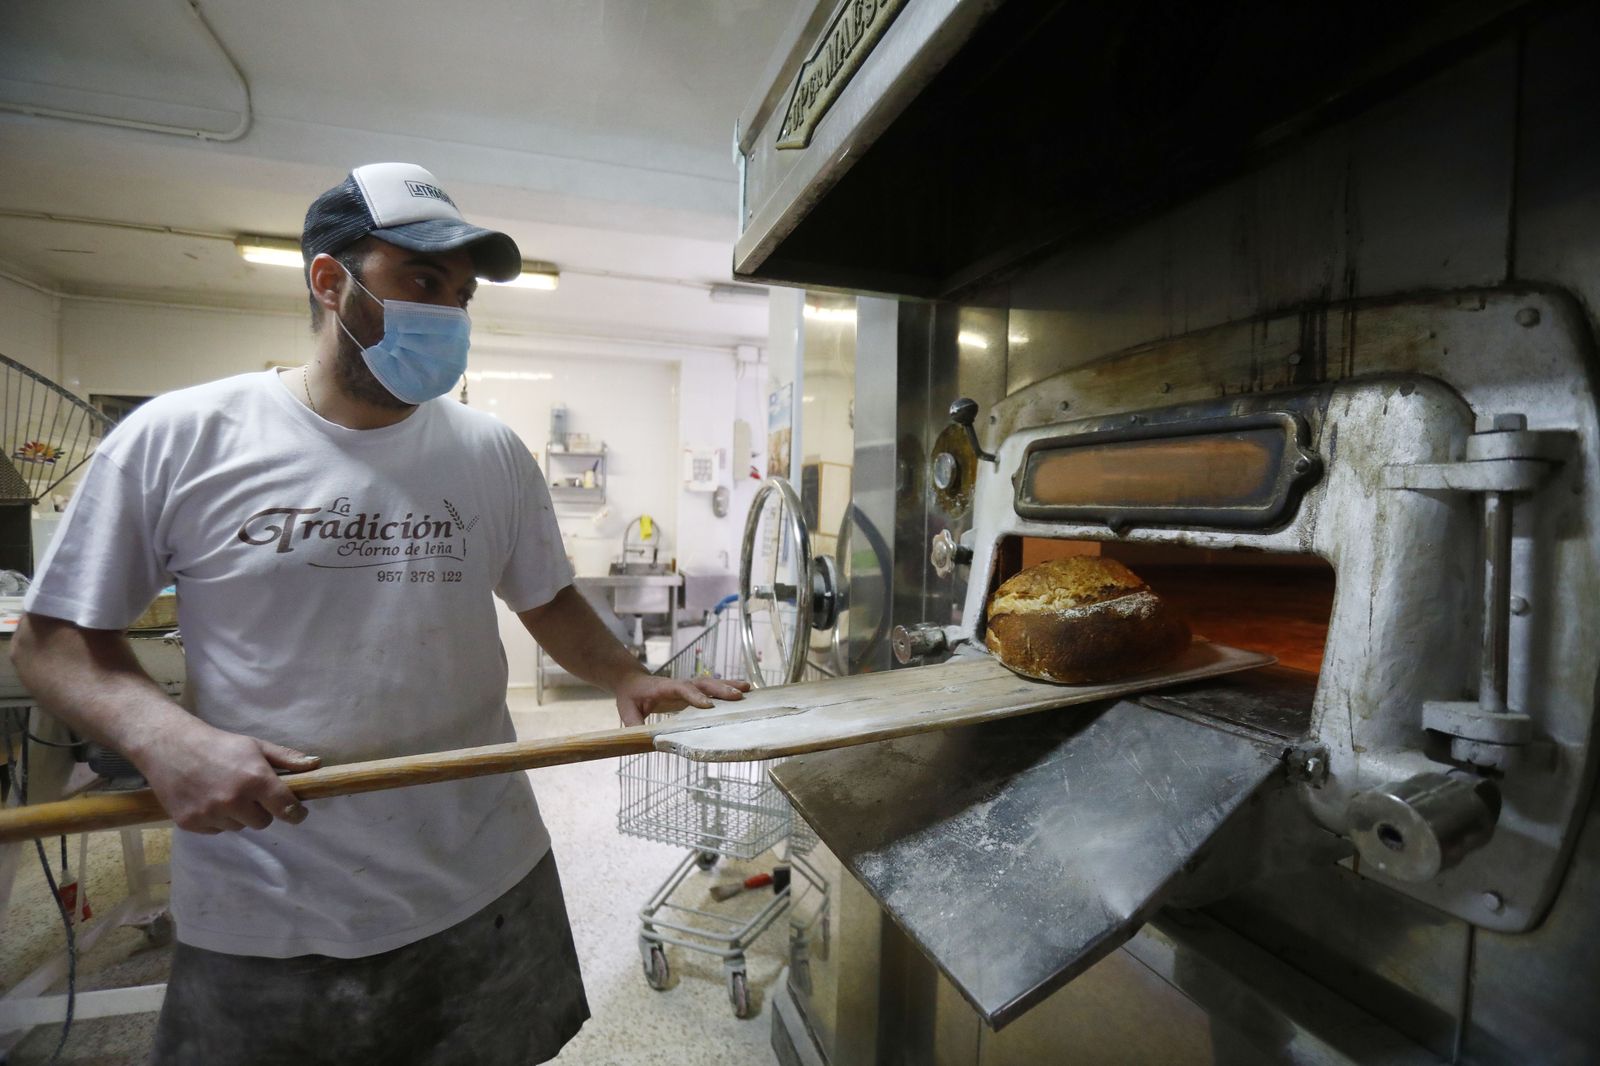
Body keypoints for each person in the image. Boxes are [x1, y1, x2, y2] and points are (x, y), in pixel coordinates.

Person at [9, 162, 748, 1065]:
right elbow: (52, 647)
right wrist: (167, 740)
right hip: (271, 900)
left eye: (463, 294)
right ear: (330, 281)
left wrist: (629, 674)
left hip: (487, 875)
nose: (450, 314)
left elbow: (547, 598)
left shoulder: (489, 452)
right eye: (423, 282)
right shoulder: (179, 439)